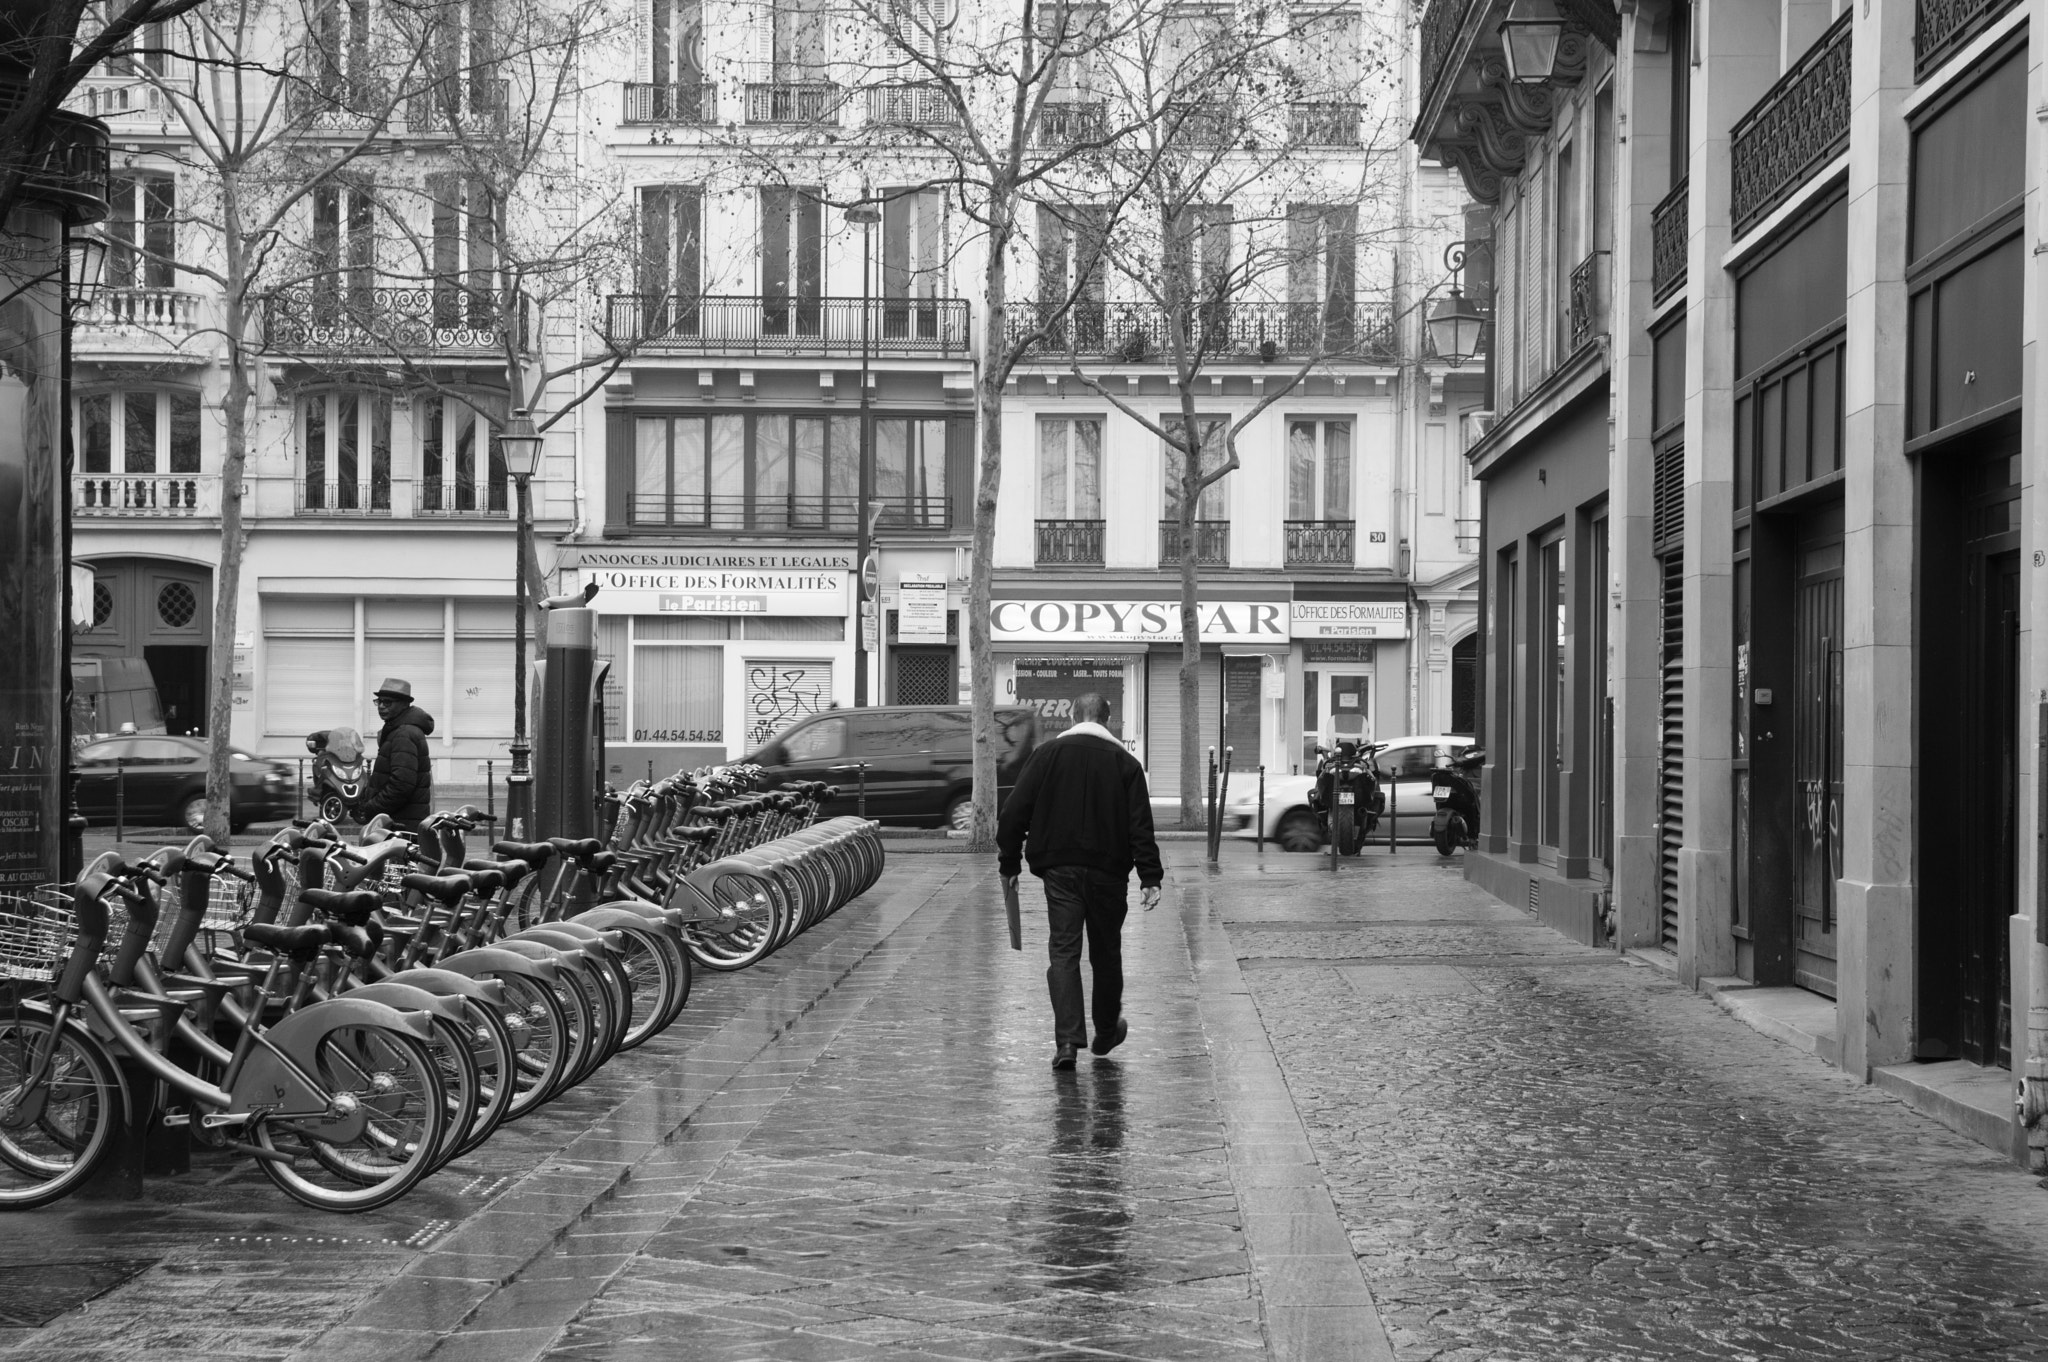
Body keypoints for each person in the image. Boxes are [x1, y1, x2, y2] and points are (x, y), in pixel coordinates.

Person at [996, 692, 1163, 1071]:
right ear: (1108, 719)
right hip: (1108, 872)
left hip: (1060, 870)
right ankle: (1105, 1030)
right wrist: (1149, 875)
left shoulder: (1046, 756)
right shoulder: (1126, 763)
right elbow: (1141, 825)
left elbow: (1013, 813)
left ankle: (1068, 1043)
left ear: (1073, 715)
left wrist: (1010, 863)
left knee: (1064, 953)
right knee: (1106, 954)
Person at [358, 678, 435, 831]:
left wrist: (372, 808)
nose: (381, 706)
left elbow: (401, 785)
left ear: (403, 704)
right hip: (399, 821)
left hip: (400, 825)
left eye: (387, 702)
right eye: (378, 701)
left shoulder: (404, 733)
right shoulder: (397, 729)